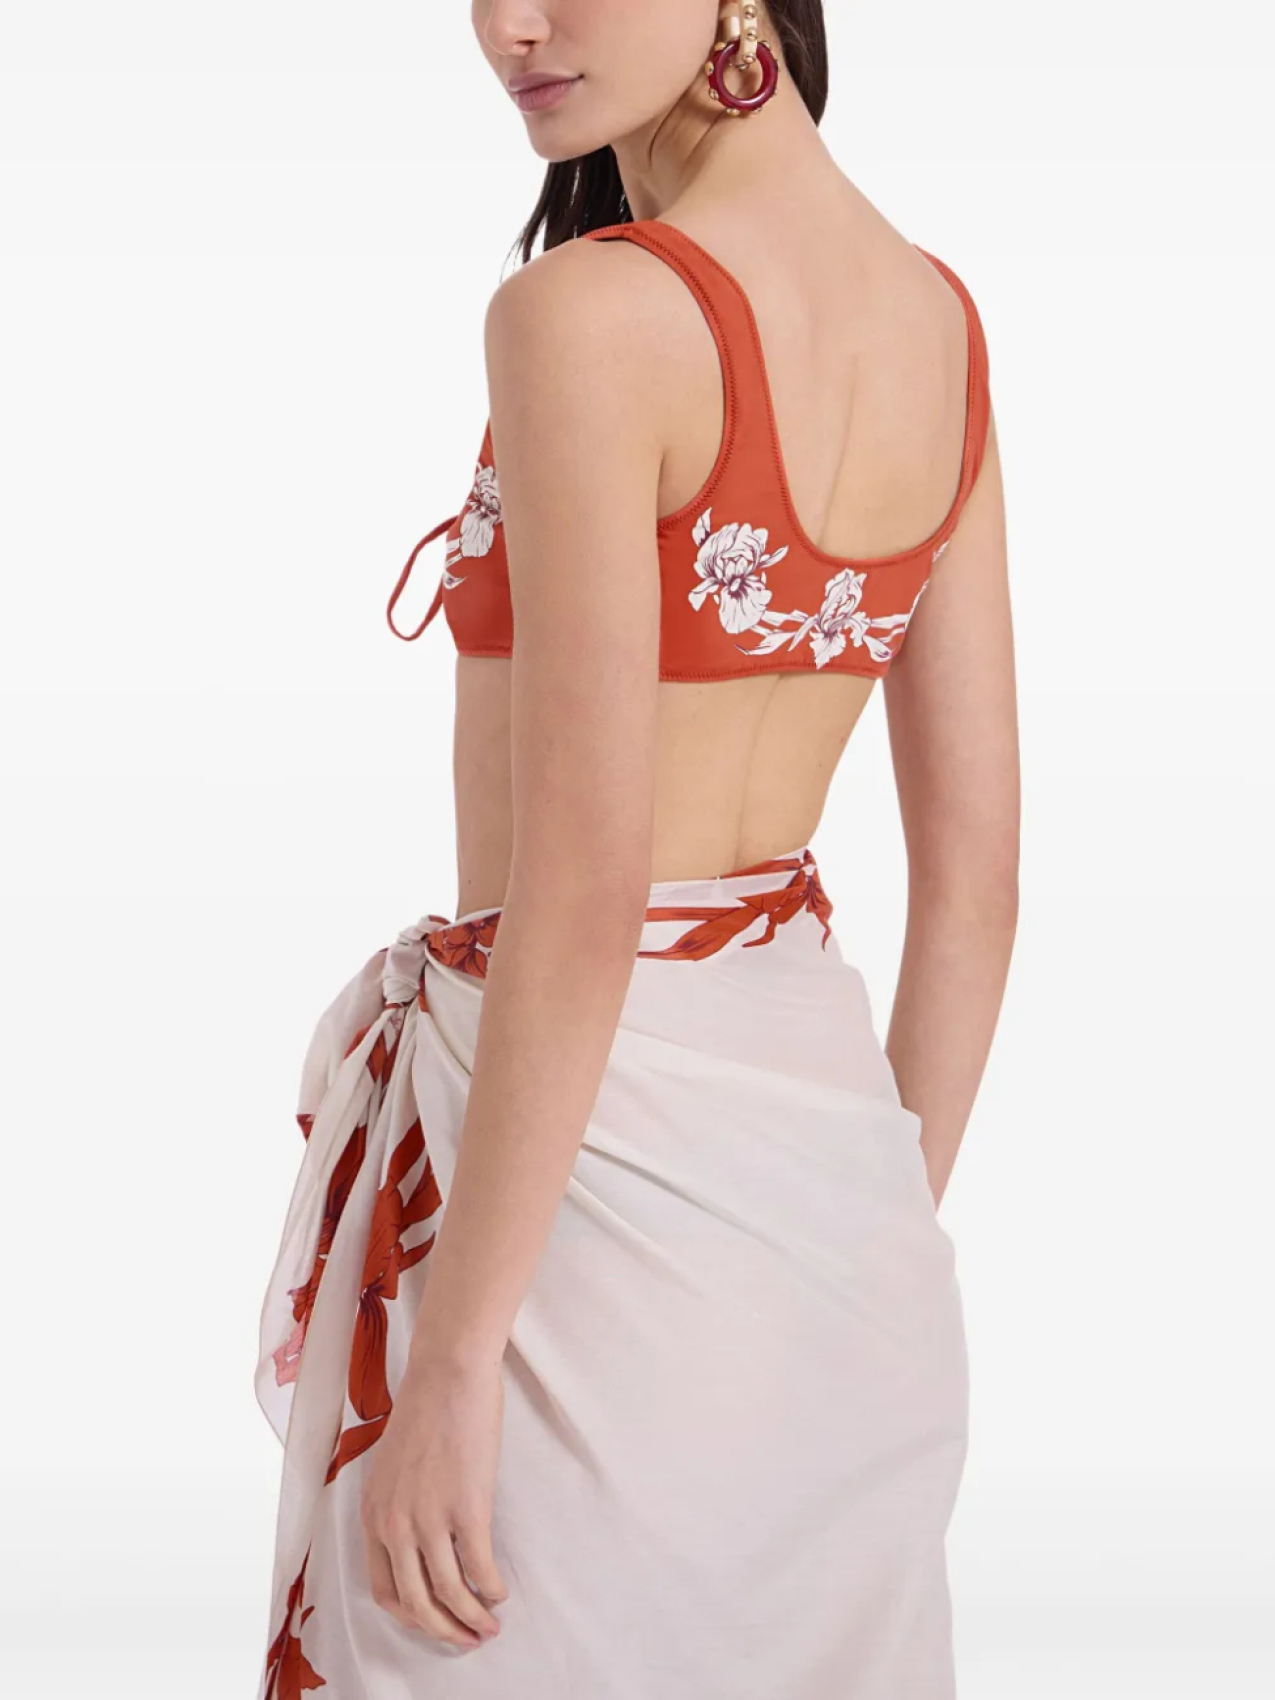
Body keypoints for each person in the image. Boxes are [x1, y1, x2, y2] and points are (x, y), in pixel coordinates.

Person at [253, 2, 1018, 1694]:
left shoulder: (588, 316)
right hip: (835, 1217)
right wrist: (868, 1241)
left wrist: (457, 1360)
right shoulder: (938, 320)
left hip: (573, 1200)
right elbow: (977, 880)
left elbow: (588, 887)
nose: (507, 25)